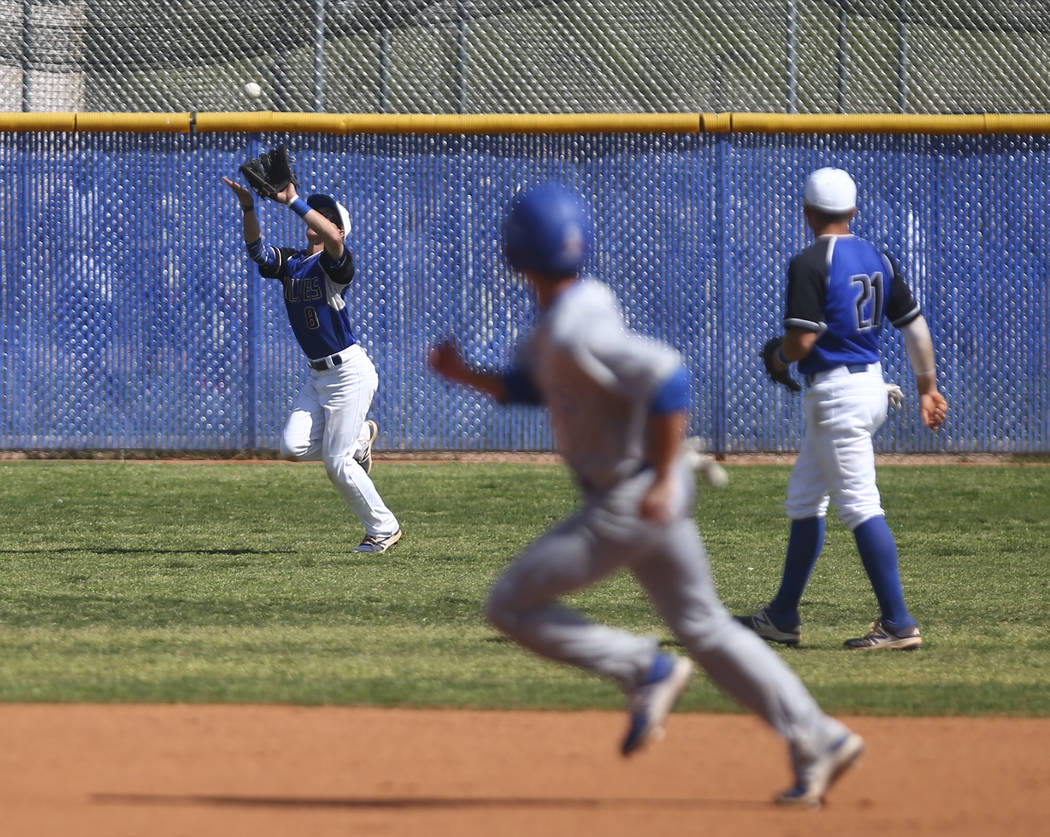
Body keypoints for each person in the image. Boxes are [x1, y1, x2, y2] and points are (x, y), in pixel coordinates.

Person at [428, 182, 863, 806]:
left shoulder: (575, 328)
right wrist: (466, 374)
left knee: (510, 606)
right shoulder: (570, 315)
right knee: (706, 627)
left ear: (515, 254)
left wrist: (661, 477)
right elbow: (534, 385)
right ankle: (817, 737)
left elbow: (666, 377)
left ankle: (645, 668)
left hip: (630, 499)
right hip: (645, 494)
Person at [738, 167, 948, 650]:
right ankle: (782, 616)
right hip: (870, 386)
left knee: (859, 507)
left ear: (807, 213)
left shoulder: (811, 260)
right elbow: (913, 327)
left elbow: (803, 338)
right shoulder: (878, 256)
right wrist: (927, 387)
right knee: (805, 499)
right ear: (854, 211)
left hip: (836, 397)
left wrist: (777, 355)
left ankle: (898, 623)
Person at [221, 173, 401, 553]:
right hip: (317, 375)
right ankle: (358, 440)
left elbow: (334, 240)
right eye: (313, 212)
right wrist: (249, 208)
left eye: (324, 215)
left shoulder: (337, 266)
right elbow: (257, 252)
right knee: (291, 447)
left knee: (336, 464)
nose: (314, 218)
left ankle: (383, 528)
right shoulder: (293, 262)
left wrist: (293, 201)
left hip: (349, 373)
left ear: (338, 229)